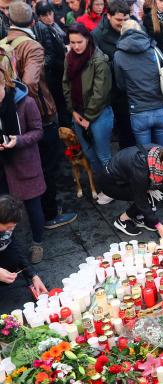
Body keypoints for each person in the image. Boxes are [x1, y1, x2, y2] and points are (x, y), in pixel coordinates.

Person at [5, 1, 77, 229]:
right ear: (34, 21)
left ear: (9, 20)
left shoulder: (3, 43)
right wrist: (30, 111)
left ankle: (27, 213)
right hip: (38, 116)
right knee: (47, 166)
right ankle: (50, 214)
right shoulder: (32, 46)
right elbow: (29, 83)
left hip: (9, 117)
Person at [114, 20, 163, 204]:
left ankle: (150, 195)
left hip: (138, 111)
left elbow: (120, 85)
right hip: (160, 109)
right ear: (140, 31)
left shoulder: (118, 55)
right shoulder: (153, 49)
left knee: (145, 159)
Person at [63, 22, 114, 204]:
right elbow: (66, 84)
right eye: (72, 42)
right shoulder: (69, 57)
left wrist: (88, 117)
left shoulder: (99, 59)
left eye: (79, 42)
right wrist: (72, 111)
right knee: (89, 153)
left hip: (98, 114)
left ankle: (111, 189)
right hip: (78, 113)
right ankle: (102, 186)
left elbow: (100, 92)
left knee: (103, 155)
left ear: (88, 39)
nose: (76, 46)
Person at [0, 72, 47, 264]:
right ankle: (7, 244)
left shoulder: (26, 102)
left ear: (3, 84)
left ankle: (37, 243)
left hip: (24, 163)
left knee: (33, 206)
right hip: (2, 167)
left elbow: (38, 131)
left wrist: (18, 140)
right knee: (3, 208)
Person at [99, 144, 163, 237]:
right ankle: (122, 220)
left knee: (156, 192)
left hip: (125, 177)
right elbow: (140, 199)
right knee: (149, 196)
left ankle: (138, 217)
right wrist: (158, 225)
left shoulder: (161, 152)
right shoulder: (140, 169)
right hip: (112, 184)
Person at [92, 0, 136, 150]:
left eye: (125, 19)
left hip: (134, 89)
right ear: (108, 16)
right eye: (119, 20)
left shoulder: (134, 26)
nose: (123, 23)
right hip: (114, 92)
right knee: (125, 133)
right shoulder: (97, 35)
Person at [0, 195, 47, 295]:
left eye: (13, 227)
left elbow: (15, 248)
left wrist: (33, 275)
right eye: (8, 227)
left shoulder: (7, 229)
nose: (10, 230)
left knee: (12, 255)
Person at [33, 2, 69, 127]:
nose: (49, 17)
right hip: (54, 73)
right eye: (45, 15)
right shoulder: (43, 29)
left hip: (58, 69)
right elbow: (50, 54)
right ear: (39, 17)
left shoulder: (53, 25)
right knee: (61, 104)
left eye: (50, 13)